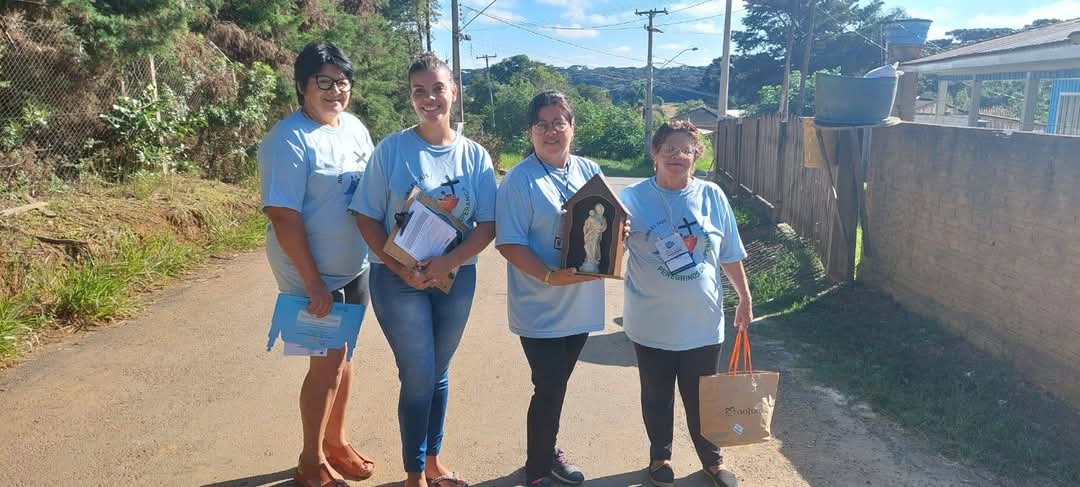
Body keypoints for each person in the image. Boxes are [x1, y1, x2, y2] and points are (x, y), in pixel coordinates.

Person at [351, 52, 496, 487]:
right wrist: (401, 270)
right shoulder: (392, 150)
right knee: (418, 375)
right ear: (410, 97)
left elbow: (487, 224)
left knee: (438, 372)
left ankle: (433, 462)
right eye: (419, 91)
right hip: (399, 281)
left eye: (438, 88)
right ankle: (414, 474)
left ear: (454, 92)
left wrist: (449, 262)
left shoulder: (474, 156)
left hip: (456, 278)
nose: (430, 98)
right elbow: (365, 214)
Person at [258, 41, 377, 487]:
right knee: (326, 364)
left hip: (354, 264)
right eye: (323, 82)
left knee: (344, 356)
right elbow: (283, 216)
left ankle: (336, 441)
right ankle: (311, 460)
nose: (335, 90)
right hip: (312, 273)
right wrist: (312, 283)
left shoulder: (354, 128)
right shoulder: (288, 139)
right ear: (302, 85)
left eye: (342, 82)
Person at [495, 90, 627, 487]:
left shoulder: (589, 169)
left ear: (572, 127)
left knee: (557, 385)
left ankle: (547, 451)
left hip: (581, 302)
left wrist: (619, 233)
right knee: (549, 385)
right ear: (530, 131)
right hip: (540, 304)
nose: (551, 131)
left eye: (559, 123)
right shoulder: (520, 179)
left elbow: (608, 223)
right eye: (542, 124)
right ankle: (538, 469)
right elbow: (509, 242)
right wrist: (550, 276)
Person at [619, 120, 753, 487]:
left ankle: (713, 460)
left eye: (686, 150)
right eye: (669, 148)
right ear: (655, 153)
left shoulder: (712, 195)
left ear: (697, 156)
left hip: (702, 323)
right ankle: (659, 457)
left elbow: (729, 253)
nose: (677, 155)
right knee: (656, 395)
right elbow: (607, 251)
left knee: (703, 398)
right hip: (651, 322)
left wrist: (744, 296)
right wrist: (614, 235)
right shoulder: (631, 198)